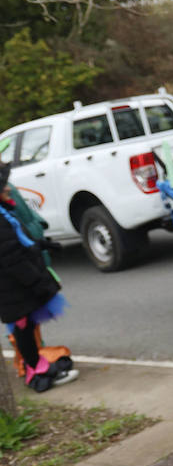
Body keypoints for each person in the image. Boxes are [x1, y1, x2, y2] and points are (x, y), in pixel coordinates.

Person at [1, 162, 77, 392]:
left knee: (26, 325)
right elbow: (11, 257)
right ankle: (36, 371)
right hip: (13, 289)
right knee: (23, 327)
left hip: (15, 287)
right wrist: (37, 283)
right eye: (4, 186)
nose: (8, 189)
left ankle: (35, 365)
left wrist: (41, 245)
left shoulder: (5, 213)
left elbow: (16, 244)